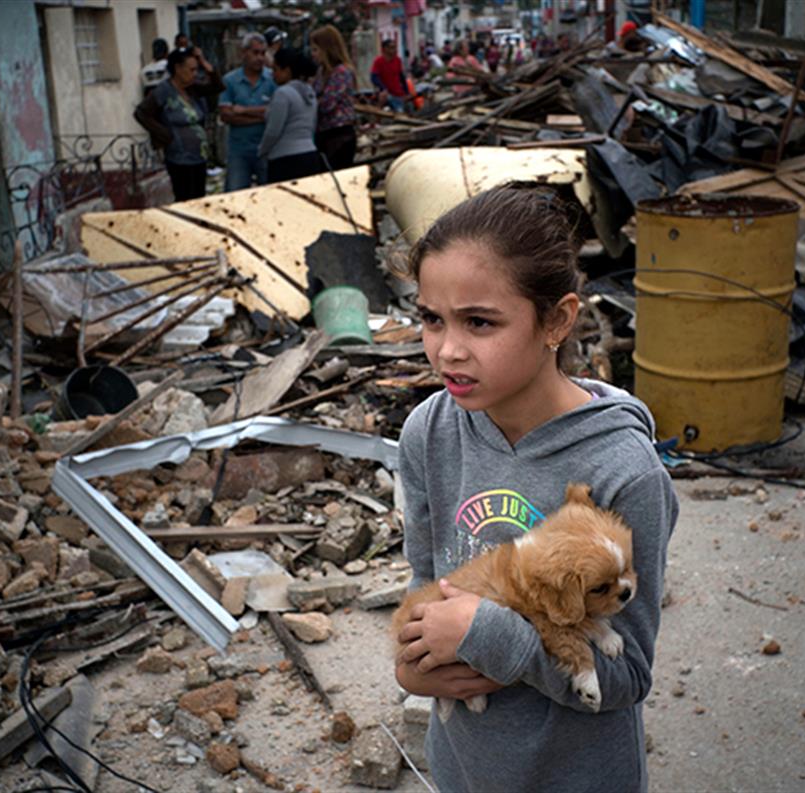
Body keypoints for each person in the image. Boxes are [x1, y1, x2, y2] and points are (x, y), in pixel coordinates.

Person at [391, 186, 678, 793]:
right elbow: (425, 587)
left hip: (576, 775)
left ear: (557, 320)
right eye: (431, 319)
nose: (448, 350)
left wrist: (489, 638)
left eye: (480, 322)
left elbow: (626, 676)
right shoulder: (430, 431)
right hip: (466, 768)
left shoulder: (624, 472)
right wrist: (413, 668)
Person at [134, 47, 223, 202]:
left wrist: (204, 63)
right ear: (178, 68)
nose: (195, 74)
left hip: (199, 156)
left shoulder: (193, 89)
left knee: (199, 200)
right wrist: (164, 134)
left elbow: (217, 87)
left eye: (196, 69)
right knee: (185, 199)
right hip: (179, 157)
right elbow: (141, 113)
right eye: (191, 69)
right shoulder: (164, 91)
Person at [219, 33, 276, 191]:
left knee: (270, 195)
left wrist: (243, 111)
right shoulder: (229, 81)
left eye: (263, 53)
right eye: (255, 52)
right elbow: (226, 115)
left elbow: (276, 112)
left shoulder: (272, 79)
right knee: (235, 195)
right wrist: (263, 116)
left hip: (266, 148)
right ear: (244, 53)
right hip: (239, 150)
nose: (259, 58)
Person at [258, 48, 322, 184]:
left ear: (286, 71)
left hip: (286, 159)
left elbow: (273, 131)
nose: (272, 75)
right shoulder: (309, 92)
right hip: (310, 154)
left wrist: (262, 150)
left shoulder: (283, 94)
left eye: (275, 70)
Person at [310, 24, 357, 170]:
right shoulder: (321, 72)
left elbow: (327, 104)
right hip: (323, 134)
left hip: (339, 136)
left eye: (316, 50)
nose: (313, 54)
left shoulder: (341, 72)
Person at [370, 39, 408, 112]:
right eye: (391, 47)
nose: (394, 50)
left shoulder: (397, 60)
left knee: (400, 113)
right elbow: (373, 77)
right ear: (385, 49)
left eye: (394, 47)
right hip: (386, 94)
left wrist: (406, 92)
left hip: (398, 94)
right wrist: (383, 88)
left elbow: (401, 76)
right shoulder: (379, 61)